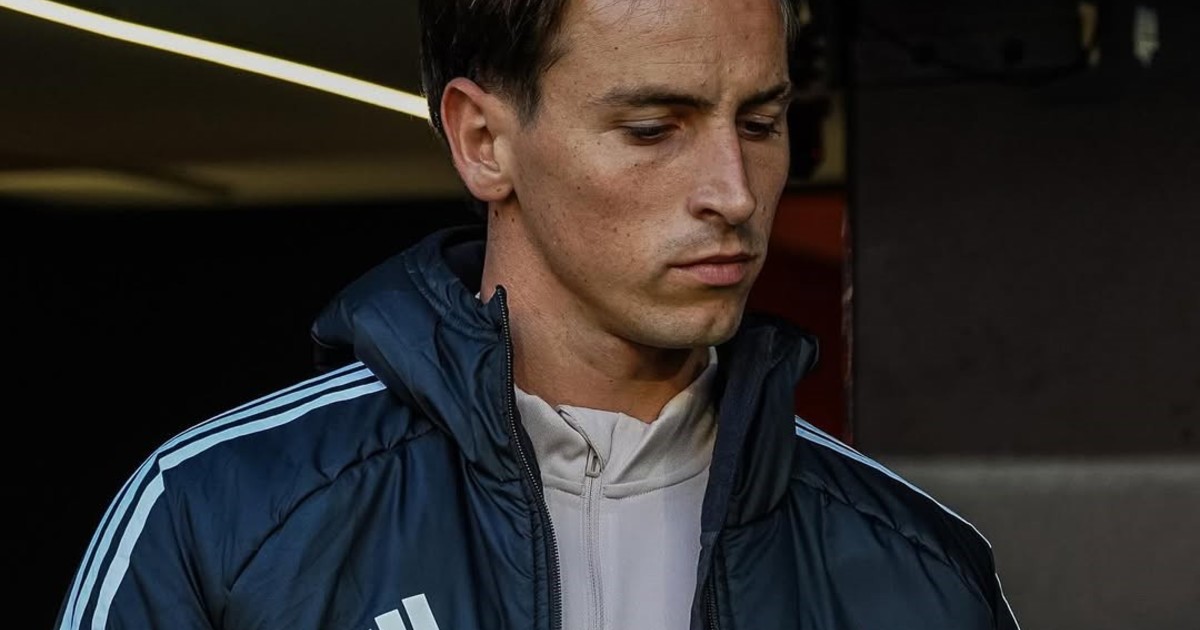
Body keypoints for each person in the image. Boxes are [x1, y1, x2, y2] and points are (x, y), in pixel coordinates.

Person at [55, 0, 1021, 628]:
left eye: (761, 123)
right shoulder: (220, 516)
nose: (734, 191)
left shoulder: (922, 572)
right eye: (654, 128)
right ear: (483, 140)